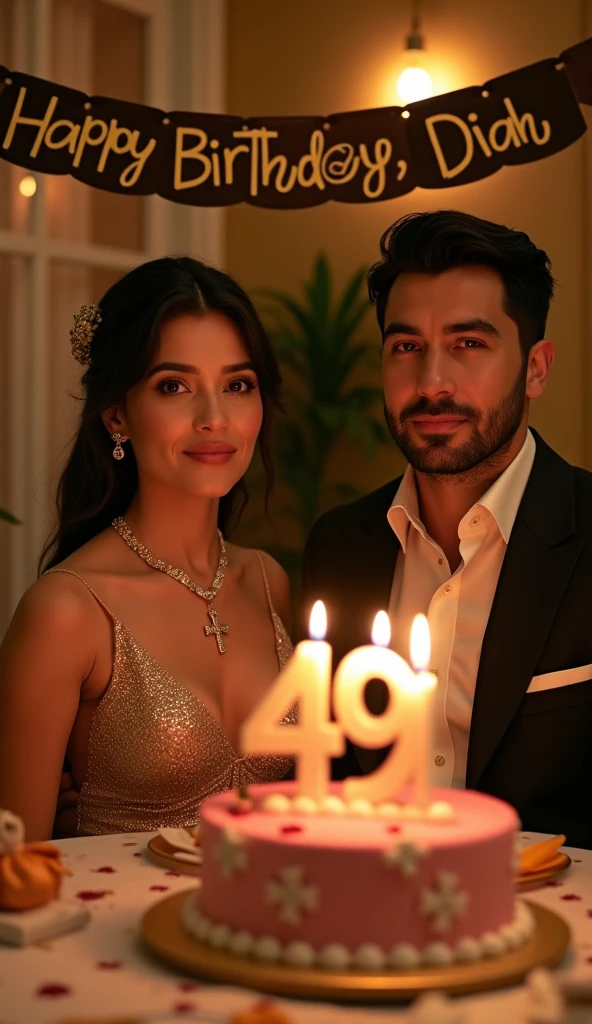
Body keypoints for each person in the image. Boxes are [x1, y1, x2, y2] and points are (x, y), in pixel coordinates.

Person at [301, 210, 592, 848]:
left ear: (536, 368)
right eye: (406, 347)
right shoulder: (339, 547)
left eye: (469, 344)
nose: (431, 383)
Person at [0, 256, 294, 841]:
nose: (215, 418)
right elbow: (14, 879)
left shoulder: (269, 583)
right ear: (118, 417)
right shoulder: (67, 611)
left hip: (272, 926)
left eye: (238, 385)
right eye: (174, 386)